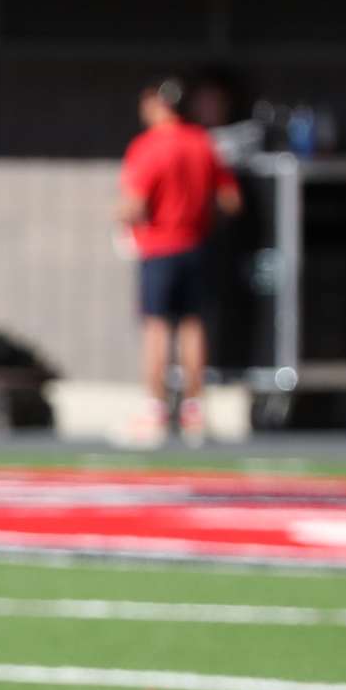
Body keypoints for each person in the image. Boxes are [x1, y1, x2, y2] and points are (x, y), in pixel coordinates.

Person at [119, 78, 240, 445]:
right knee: (192, 326)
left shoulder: (149, 146)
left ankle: (155, 409)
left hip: (159, 246)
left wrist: (121, 218)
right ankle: (194, 411)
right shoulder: (202, 142)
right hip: (196, 245)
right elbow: (231, 200)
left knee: (156, 328)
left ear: (157, 104)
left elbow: (134, 205)